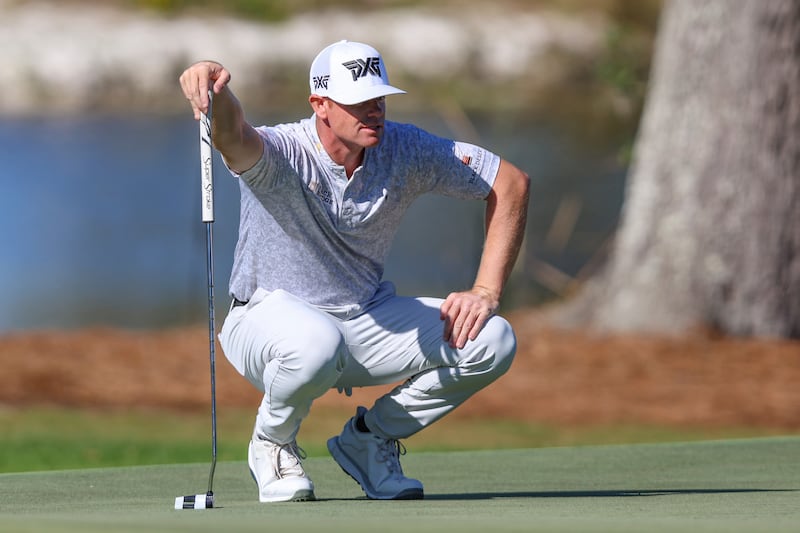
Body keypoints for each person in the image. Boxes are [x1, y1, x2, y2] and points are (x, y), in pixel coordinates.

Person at [179, 40, 529, 503]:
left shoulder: (404, 149)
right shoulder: (283, 152)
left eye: (378, 98)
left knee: (492, 339)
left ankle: (369, 438)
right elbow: (232, 135)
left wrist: (486, 289)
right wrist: (215, 93)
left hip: (363, 318)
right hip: (264, 323)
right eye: (357, 102)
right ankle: (272, 443)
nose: (374, 110)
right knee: (316, 342)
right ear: (319, 105)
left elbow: (510, 182)